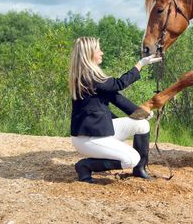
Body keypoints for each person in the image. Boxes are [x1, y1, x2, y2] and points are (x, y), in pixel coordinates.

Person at [68, 37, 161, 183]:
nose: (102, 52)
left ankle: (139, 169)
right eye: (98, 49)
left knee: (141, 124)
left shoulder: (94, 78)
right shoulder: (89, 77)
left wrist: (142, 114)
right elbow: (119, 84)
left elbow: (117, 99)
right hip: (87, 138)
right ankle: (85, 165)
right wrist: (140, 64)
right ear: (89, 53)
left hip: (100, 130)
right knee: (131, 159)